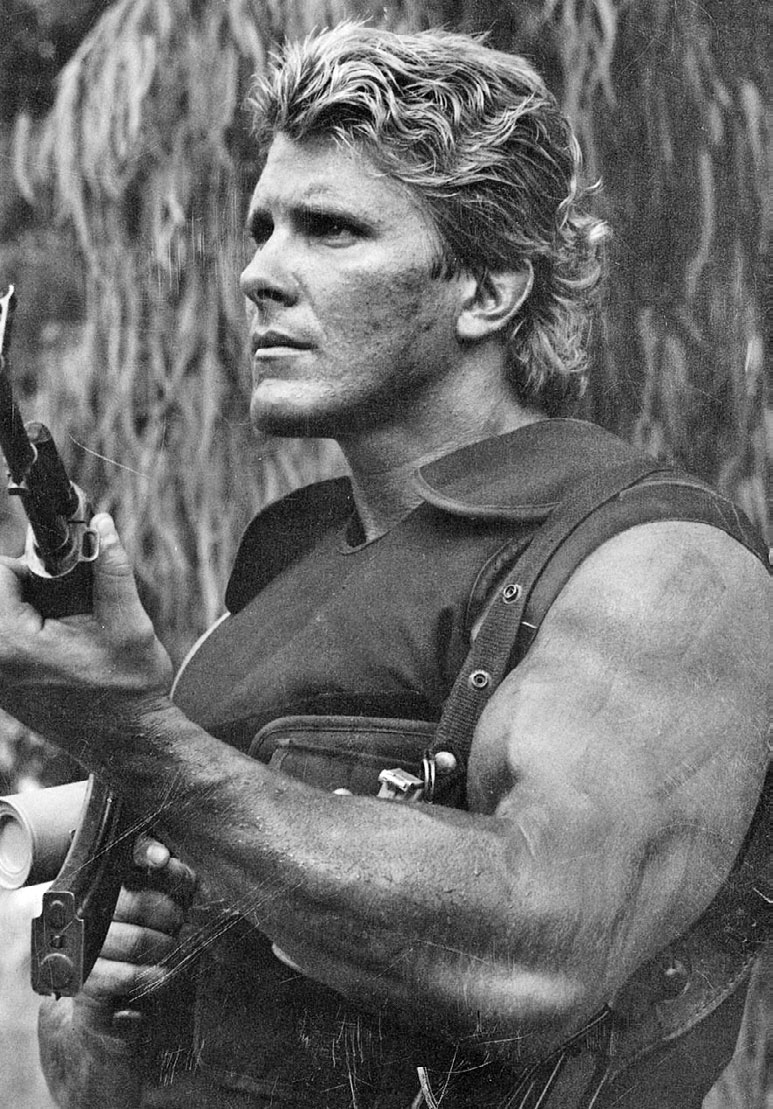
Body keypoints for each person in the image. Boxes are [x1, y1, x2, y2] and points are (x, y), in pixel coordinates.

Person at [0, 24, 768, 1109]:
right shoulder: (271, 584)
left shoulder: (656, 565)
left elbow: (539, 956)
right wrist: (97, 1013)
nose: (259, 273)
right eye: (261, 228)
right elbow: (96, 1080)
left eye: (330, 229)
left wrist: (131, 734)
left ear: (489, 289)